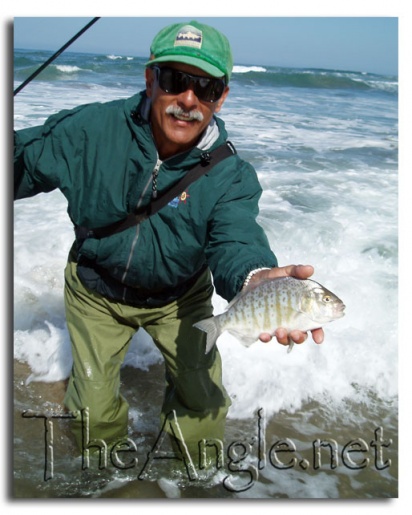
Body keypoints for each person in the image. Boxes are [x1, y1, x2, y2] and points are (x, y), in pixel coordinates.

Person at [14, 21, 324, 456]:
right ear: (149, 78)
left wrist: (255, 277)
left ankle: (192, 484)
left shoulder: (231, 175)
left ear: (223, 97)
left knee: (201, 404)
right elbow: (19, 165)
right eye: (176, 80)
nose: (189, 100)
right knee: (93, 415)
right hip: (95, 290)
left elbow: (237, 239)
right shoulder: (88, 131)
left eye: (207, 88)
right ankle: (105, 487)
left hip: (180, 297)